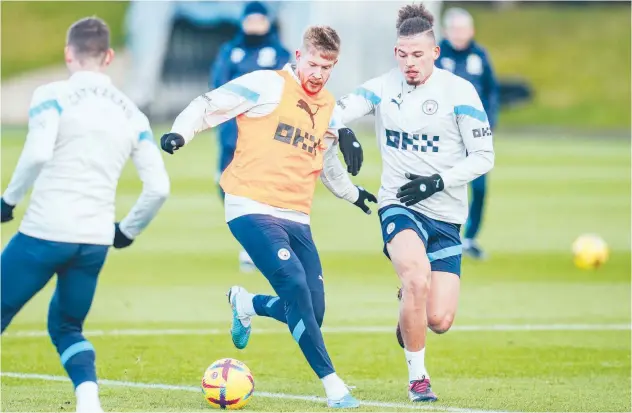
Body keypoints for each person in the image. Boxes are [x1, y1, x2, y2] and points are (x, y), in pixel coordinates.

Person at [160, 26, 373, 409]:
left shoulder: (327, 105)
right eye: (313, 63)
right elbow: (209, 103)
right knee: (293, 284)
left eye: (328, 66)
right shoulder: (266, 85)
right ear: (297, 55)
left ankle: (247, 304)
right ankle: (334, 386)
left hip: (297, 216)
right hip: (249, 205)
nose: (318, 73)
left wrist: (352, 194)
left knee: (313, 311)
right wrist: (180, 133)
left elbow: (325, 163)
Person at [0, 17, 170, 413]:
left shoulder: (52, 93)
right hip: (94, 240)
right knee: (67, 327)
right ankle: (88, 400)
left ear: (67, 55)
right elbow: (159, 186)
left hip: (45, 231)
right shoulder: (132, 112)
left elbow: (39, 152)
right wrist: (127, 230)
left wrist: (8, 200)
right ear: (109, 57)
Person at [335, 3, 494, 402]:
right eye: (403, 54)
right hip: (399, 204)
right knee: (416, 277)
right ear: (395, 53)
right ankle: (418, 379)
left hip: (446, 215)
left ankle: (410, 312)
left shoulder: (460, 92)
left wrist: (438, 181)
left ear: (435, 53)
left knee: (438, 319)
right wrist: (343, 132)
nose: (410, 63)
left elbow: (483, 157)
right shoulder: (382, 87)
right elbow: (334, 110)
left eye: (418, 55)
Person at [210, 1, 291, 273]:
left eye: (260, 20)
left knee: (261, 189)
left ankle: (256, 244)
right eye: (251, 20)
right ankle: (249, 236)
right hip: (232, 133)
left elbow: (286, 87)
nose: (255, 26)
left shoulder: (278, 53)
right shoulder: (230, 51)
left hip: (266, 133)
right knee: (226, 185)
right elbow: (218, 86)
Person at [436, 7, 499, 260]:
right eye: (455, 29)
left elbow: (492, 90)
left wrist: (489, 122)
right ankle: (441, 235)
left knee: (480, 186)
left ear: (471, 31)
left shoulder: (480, 55)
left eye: (464, 29)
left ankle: (469, 237)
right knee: (444, 184)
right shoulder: (436, 56)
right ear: (445, 32)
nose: (460, 34)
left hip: (475, 134)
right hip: (445, 134)